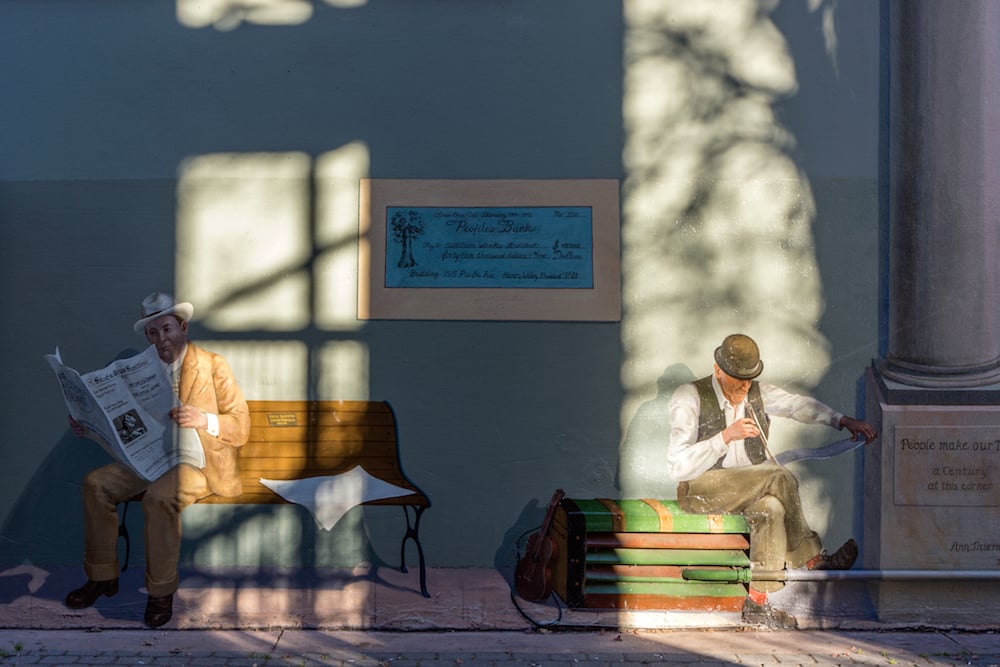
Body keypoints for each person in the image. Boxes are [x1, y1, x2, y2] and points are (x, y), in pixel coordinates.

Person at [64, 292, 250, 628]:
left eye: (166, 329)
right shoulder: (138, 370)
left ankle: (161, 592)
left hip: (199, 463)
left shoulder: (212, 364)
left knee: (159, 498)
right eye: (152, 333)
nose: (161, 339)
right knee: (96, 483)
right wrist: (88, 424)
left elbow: (241, 426)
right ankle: (103, 576)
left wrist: (204, 419)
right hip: (150, 460)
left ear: (183, 327)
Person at [667, 333, 877, 626]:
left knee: (771, 510)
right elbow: (678, 467)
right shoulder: (689, 397)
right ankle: (813, 559)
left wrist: (841, 421)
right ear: (718, 371)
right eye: (737, 379)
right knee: (778, 475)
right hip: (700, 489)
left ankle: (757, 605)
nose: (743, 386)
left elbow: (796, 405)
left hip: (748, 489)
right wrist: (725, 437)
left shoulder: (755, 393)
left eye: (749, 379)